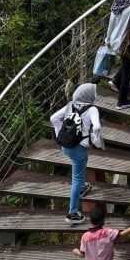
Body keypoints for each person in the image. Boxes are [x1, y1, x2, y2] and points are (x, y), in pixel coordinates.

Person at [50, 83, 105, 224]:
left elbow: (54, 118)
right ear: (88, 96)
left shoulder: (70, 105)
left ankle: (82, 186)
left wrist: (60, 135)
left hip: (66, 147)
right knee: (76, 177)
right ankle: (72, 213)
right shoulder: (92, 109)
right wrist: (96, 139)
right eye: (94, 93)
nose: (95, 95)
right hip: (79, 149)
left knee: (78, 170)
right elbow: (97, 126)